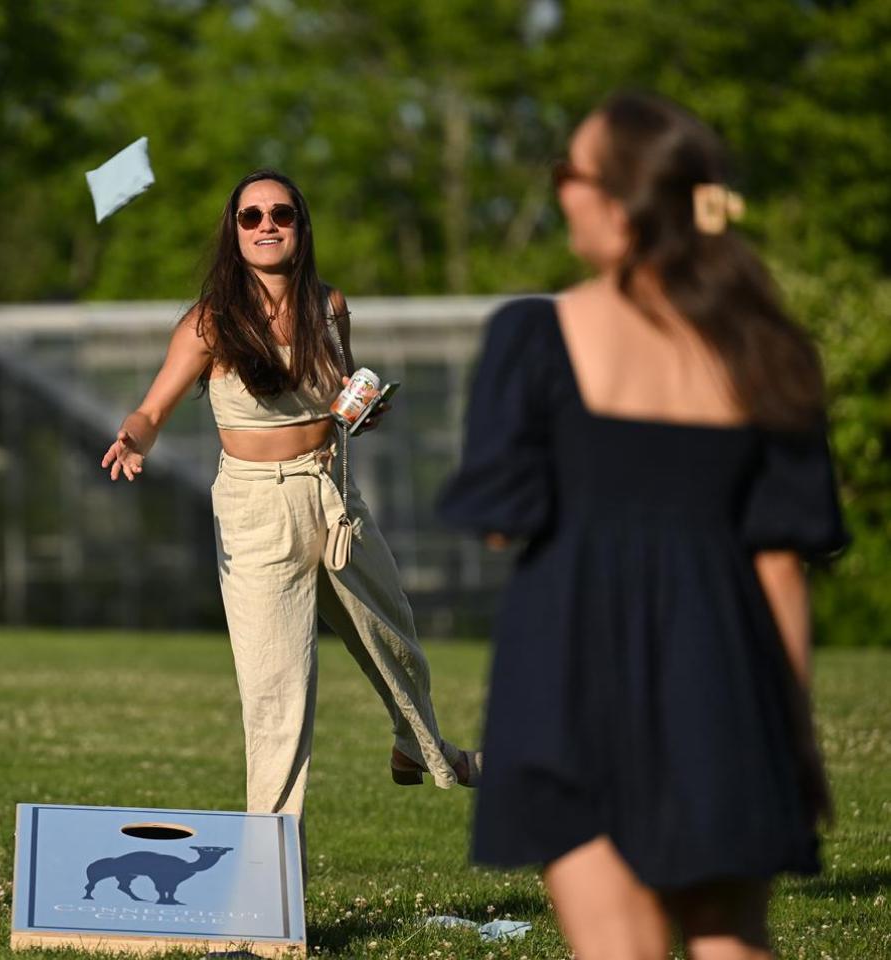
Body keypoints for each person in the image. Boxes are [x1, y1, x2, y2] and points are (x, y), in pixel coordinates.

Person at [437, 92, 847, 959]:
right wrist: (793, 733)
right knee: (734, 940)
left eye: (566, 175)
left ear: (617, 201)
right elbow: (781, 563)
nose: (559, 195)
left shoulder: (536, 336)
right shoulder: (768, 350)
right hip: (724, 675)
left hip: (568, 672)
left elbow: (504, 521)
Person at [101, 169, 479, 840]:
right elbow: (153, 407)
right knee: (278, 700)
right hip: (256, 511)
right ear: (235, 233)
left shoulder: (328, 306)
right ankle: (266, 892)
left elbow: (341, 396)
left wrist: (365, 409)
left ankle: (416, 742)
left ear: (302, 228)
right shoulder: (209, 320)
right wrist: (133, 438)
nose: (267, 225)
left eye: (282, 214)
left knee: (397, 641)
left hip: (333, 492)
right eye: (252, 217)